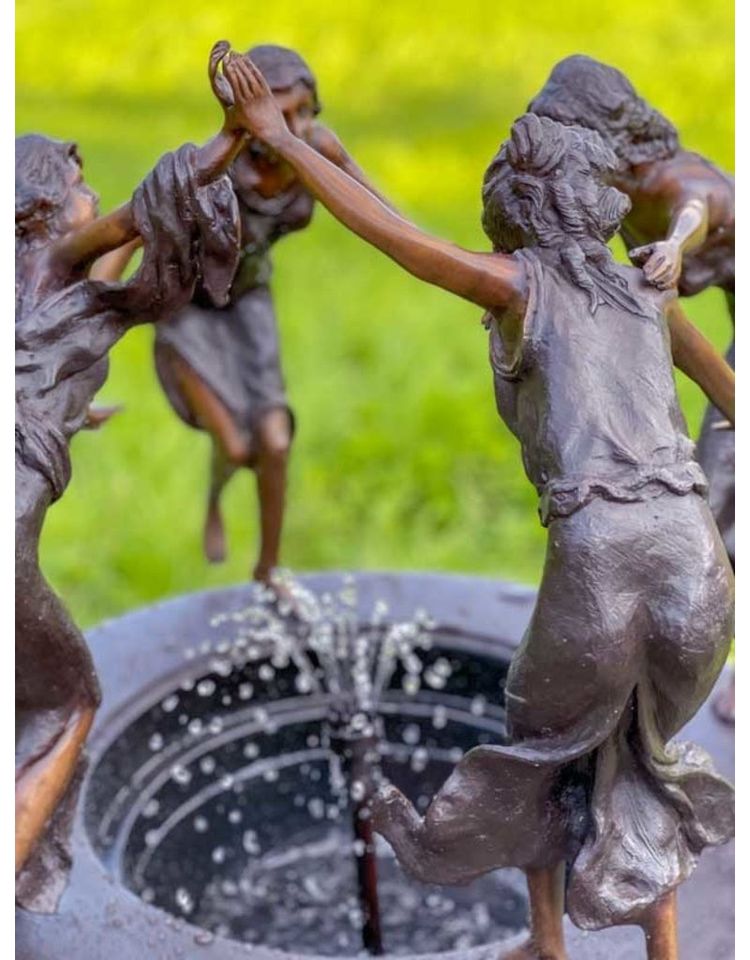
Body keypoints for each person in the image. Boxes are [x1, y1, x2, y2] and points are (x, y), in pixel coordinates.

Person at [221, 55, 735, 960]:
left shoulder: (520, 289)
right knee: (640, 759)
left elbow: (396, 237)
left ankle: (545, 940)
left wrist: (278, 144)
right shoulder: (648, 292)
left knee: (536, 756)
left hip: (604, 550)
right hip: (699, 565)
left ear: (515, 213)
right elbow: (734, 399)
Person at [15, 42, 255, 909]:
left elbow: (84, 318)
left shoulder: (32, 286)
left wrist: (70, 413)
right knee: (66, 698)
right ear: (43, 209)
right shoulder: (57, 253)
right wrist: (229, 138)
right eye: (77, 185)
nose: (91, 197)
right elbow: (138, 216)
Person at [528, 56, 736, 722]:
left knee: (720, 498)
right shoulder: (608, 189)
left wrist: (676, 245)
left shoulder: (676, 181)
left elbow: (697, 209)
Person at [143, 44, 388, 585]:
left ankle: (269, 567)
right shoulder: (217, 164)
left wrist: (449, 264)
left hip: (250, 298)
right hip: (189, 307)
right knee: (234, 444)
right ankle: (215, 501)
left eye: (305, 110)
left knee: (274, 441)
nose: (297, 126)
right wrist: (96, 298)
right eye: (281, 114)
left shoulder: (315, 148)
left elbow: (379, 211)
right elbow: (136, 222)